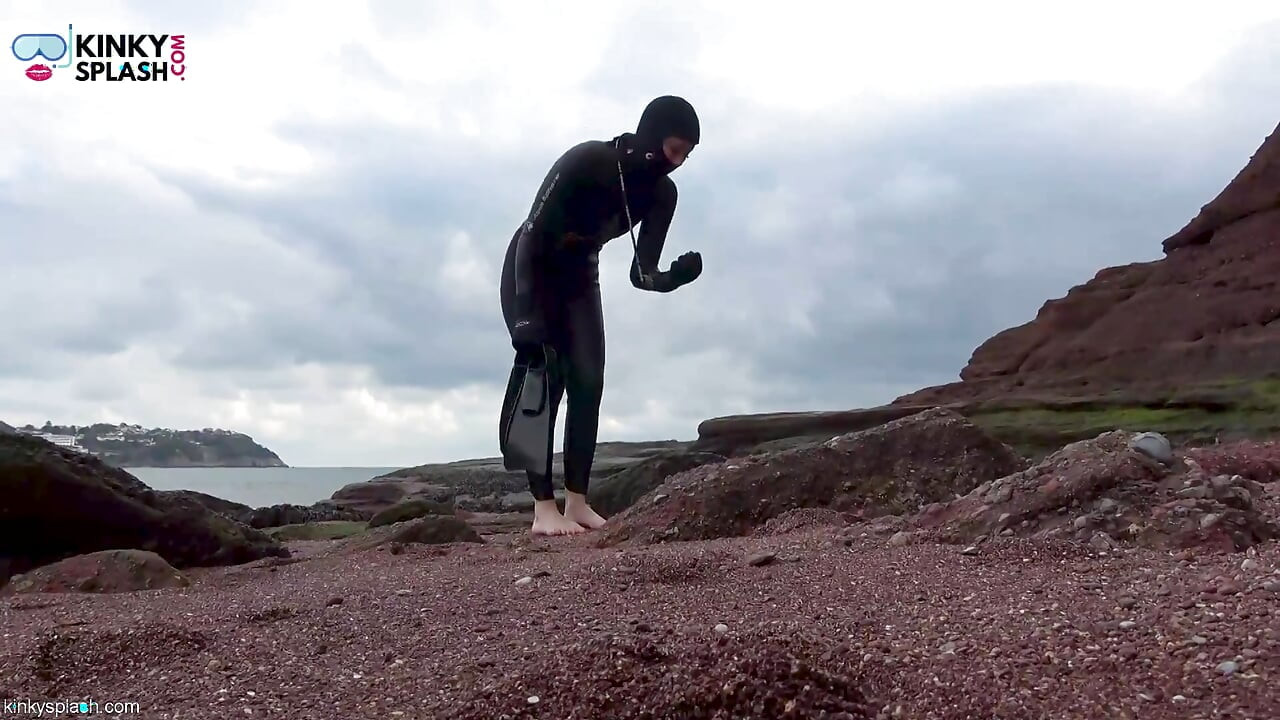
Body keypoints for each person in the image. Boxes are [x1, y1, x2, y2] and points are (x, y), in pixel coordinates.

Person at [499, 95, 704, 536]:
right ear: (652, 136)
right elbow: (532, 233)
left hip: (580, 278)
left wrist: (675, 278)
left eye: (687, 154)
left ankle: (576, 502)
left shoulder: (662, 195)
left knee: (589, 382)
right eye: (674, 149)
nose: (679, 161)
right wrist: (526, 319)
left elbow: (641, 274)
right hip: (532, 267)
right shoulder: (587, 160)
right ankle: (542, 510)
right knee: (546, 376)